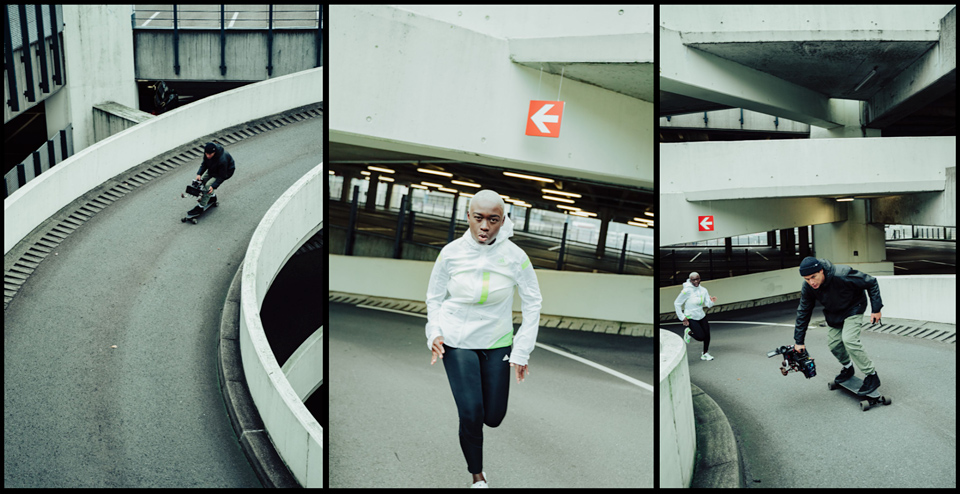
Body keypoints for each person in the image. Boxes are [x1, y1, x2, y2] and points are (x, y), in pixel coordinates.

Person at [425, 189, 542, 488]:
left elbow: (533, 303)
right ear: (468, 217)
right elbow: (435, 296)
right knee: (472, 412)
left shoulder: (516, 257)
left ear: (503, 221)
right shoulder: (450, 253)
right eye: (478, 218)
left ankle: (477, 453)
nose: (485, 226)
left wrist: (521, 351)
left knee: (493, 416)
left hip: (497, 341)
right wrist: (434, 332)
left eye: (493, 219)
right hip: (456, 339)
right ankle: (477, 477)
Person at [794, 256, 883, 395]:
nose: (811, 282)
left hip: (854, 307)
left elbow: (871, 282)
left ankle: (872, 376)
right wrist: (799, 341)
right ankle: (848, 368)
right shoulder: (808, 287)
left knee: (849, 340)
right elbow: (803, 311)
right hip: (834, 313)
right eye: (807, 279)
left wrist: (876, 309)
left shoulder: (842, 274)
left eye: (813, 277)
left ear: (821, 271)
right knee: (834, 344)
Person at [674, 272, 718, 360]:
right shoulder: (686, 291)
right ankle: (689, 332)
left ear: (700, 279)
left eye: (697, 279)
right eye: (693, 280)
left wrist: (711, 301)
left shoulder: (703, 290)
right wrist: (682, 317)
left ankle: (705, 353)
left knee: (707, 336)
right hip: (691, 317)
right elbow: (677, 303)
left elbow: (708, 304)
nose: (696, 281)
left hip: (701, 316)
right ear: (690, 280)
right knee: (700, 337)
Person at [193, 142, 236, 211]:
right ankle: (212, 197)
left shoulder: (222, 160)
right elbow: (204, 164)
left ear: (214, 152)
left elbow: (222, 176)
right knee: (202, 181)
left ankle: (201, 206)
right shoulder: (207, 153)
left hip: (225, 172)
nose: (207, 156)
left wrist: (213, 186)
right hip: (214, 168)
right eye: (206, 154)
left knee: (208, 186)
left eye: (210, 154)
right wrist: (199, 174)